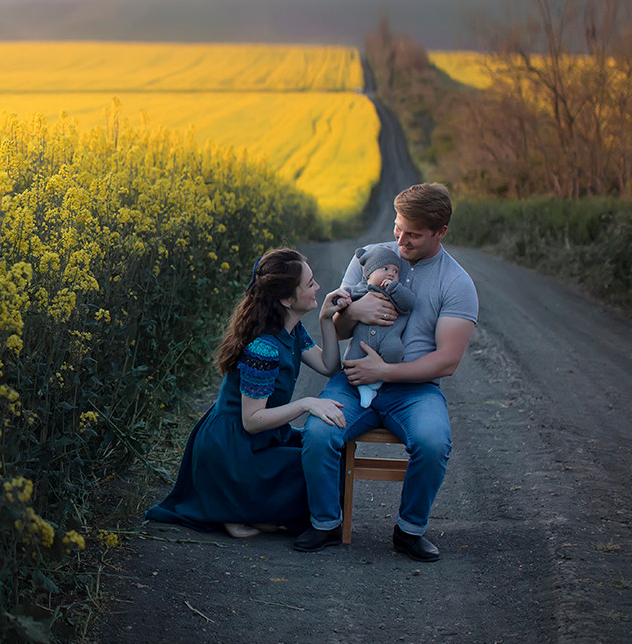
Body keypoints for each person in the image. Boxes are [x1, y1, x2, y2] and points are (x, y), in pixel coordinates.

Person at [293, 183, 479, 562]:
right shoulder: (370, 258)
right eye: (398, 228)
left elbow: (447, 360)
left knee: (432, 443)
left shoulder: (457, 283)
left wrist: (388, 371)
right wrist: (351, 313)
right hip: (354, 377)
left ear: (440, 231)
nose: (401, 240)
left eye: (413, 234)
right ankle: (326, 523)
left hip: (414, 389)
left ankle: (409, 531)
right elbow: (339, 327)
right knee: (316, 431)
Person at [146, 248, 350, 538]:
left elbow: (329, 365)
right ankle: (234, 507)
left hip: (260, 439)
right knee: (314, 466)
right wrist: (307, 403)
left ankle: (254, 509)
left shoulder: (290, 329)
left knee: (328, 453)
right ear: (286, 299)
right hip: (234, 450)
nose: (318, 287)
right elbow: (251, 420)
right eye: (310, 284)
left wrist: (327, 321)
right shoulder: (263, 348)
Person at [342, 246, 415, 408]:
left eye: (396, 271)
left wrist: (394, 288)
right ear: (368, 274)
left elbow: (409, 303)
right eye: (385, 268)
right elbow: (344, 298)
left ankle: (379, 381)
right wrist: (341, 302)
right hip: (363, 341)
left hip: (389, 336)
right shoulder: (361, 290)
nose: (391, 273)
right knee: (350, 360)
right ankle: (363, 387)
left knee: (394, 351)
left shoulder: (396, 292)